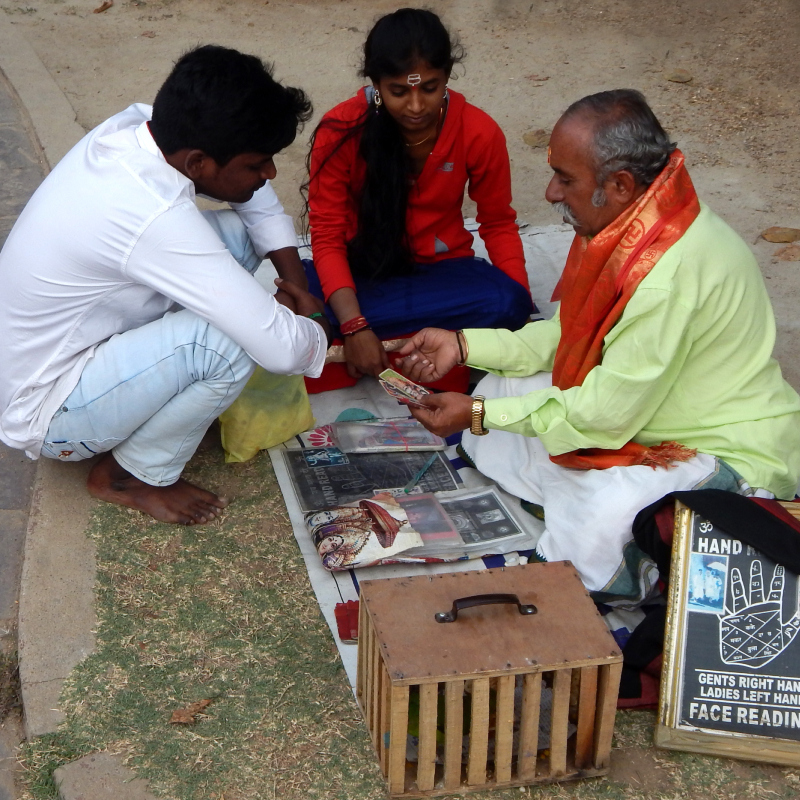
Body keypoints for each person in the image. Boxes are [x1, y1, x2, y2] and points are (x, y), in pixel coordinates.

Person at [396, 89, 800, 605]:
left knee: (602, 516)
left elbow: (605, 415)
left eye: (566, 179)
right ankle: (561, 498)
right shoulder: (634, 226)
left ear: (619, 184)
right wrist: (462, 344)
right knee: (505, 389)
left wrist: (476, 413)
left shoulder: (661, 275)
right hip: (637, 408)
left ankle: (595, 535)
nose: (549, 192)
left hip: (722, 447)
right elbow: (567, 333)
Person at [0, 45, 331, 525]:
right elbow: (282, 351)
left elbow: (257, 207)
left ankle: (164, 382)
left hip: (59, 345)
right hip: (48, 409)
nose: (271, 174)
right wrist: (316, 322)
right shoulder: (152, 215)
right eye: (259, 163)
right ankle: (127, 476)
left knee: (240, 238)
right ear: (198, 163)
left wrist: (293, 280)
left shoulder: (142, 127)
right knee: (227, 344)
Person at [305, 7, 534, 381]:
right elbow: (327, 233)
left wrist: (521, 307)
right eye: (398, 91)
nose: (415, 106)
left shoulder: (478, 131)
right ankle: (435, 346)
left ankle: (379, 349)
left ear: (447, 77)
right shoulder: (340, 130)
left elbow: (497, 222)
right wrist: (354, 325)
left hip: (442, 276)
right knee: (301, 314)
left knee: (505, 302)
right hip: (364, 274)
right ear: (375, 84)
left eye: (430, 88)